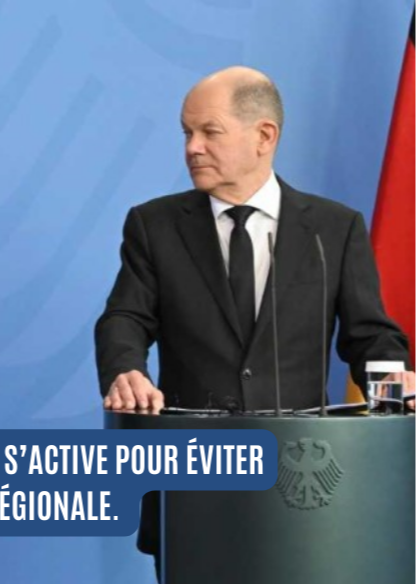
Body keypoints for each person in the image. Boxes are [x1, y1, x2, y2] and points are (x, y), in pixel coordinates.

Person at [94, 66, 412, 567]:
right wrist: (125, 369)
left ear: (264, 136)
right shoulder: (155, 225)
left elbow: (370, 336)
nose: (192, 147)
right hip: (194, 486)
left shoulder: (333, 229)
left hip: (303, 487)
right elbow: (124, 317)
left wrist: (394, 383)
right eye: (186, 132)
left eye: (209, 132)